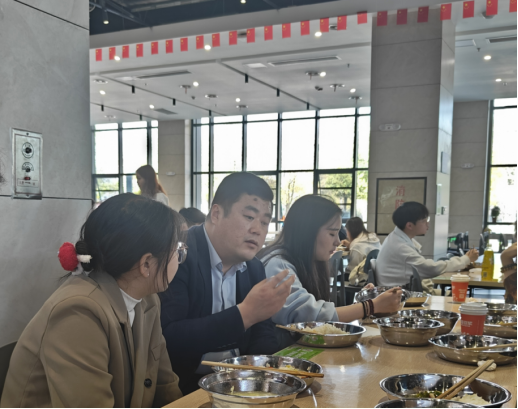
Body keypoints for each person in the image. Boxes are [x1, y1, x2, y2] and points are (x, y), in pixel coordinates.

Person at [1, 194, 184, 408]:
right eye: (177, 250)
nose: (180, 257)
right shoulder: (77, 312)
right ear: (146, 264)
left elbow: (165, 386)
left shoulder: (148, 301)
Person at [159, 172, 295, 394]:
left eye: (264, 222)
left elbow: (263, 335)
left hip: (240, 387)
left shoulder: (254, 267)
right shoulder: (179, 255)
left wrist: (266, 382)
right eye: (249, 217)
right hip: (185, 389)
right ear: (216, 213)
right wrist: (244, 315)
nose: (257, 229)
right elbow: (169, 338)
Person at [258, 195, 403, 349]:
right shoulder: (278, 264)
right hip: (278, 354)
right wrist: (370, 306)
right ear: (307, 232)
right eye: (332, 234)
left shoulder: (309, 260)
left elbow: (319, 313)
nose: (337, 241)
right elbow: (309, 318)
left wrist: (361, 301)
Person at [376, 202, 479, 287]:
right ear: (410, 225)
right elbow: (432, 269)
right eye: (424, 220)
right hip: (399, 295)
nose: (428, 223)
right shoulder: (400, 246)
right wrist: (466, 259)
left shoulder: (395, 237)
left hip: (401, 290)